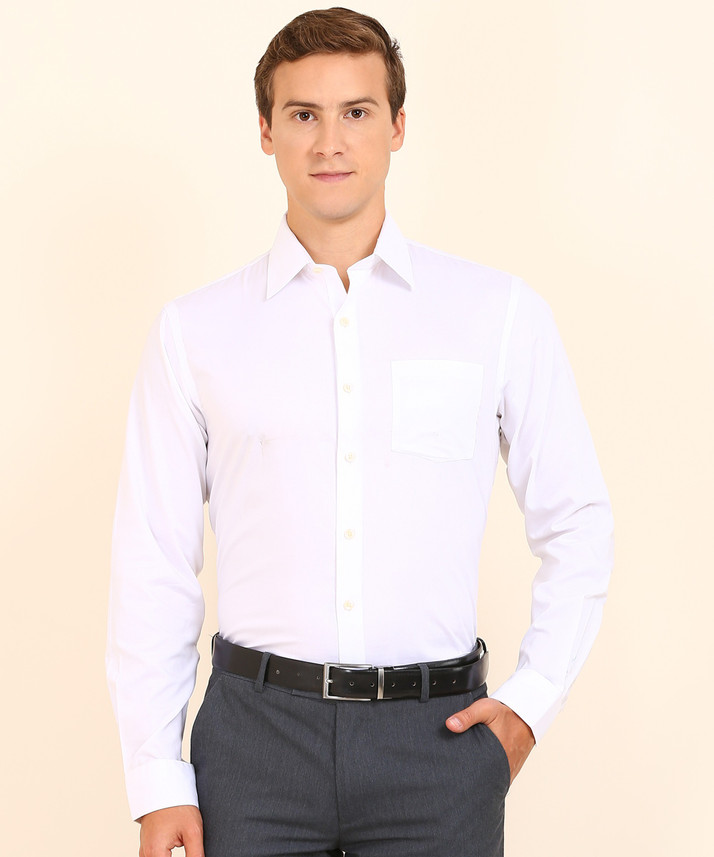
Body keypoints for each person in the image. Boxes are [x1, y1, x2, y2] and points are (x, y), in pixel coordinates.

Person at [107, 7, 614, 857]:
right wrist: (157, 775)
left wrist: (531, 703)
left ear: (398, 126)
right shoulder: (195, 332)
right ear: (266, 131)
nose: (330, 142)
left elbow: (579, 520)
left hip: (438, 744)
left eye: (356, 111)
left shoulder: (495, 314)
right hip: (253, 747)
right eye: (303, 114)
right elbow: (153, 560)